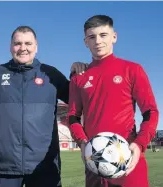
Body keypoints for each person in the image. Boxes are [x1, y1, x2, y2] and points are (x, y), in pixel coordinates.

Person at [0, 25, 86, 187]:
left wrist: (79, 72)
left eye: (28, 43)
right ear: (11, 46)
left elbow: (82, 101)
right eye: (18, 43)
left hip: (44, 167)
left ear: (36, 47)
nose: (23, 48)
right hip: (4, 167)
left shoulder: (51, 75)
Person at [68, 15, 159, 187]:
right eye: (92, 37)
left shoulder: (132, 69)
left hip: (129, 161)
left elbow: (150, 112)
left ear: (114, 37)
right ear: (85, 42)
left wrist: (139, 144)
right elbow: (73, 116)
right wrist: (82, 142)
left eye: (103, 35)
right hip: (94, 163)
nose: (98, 41)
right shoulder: (78, 77)